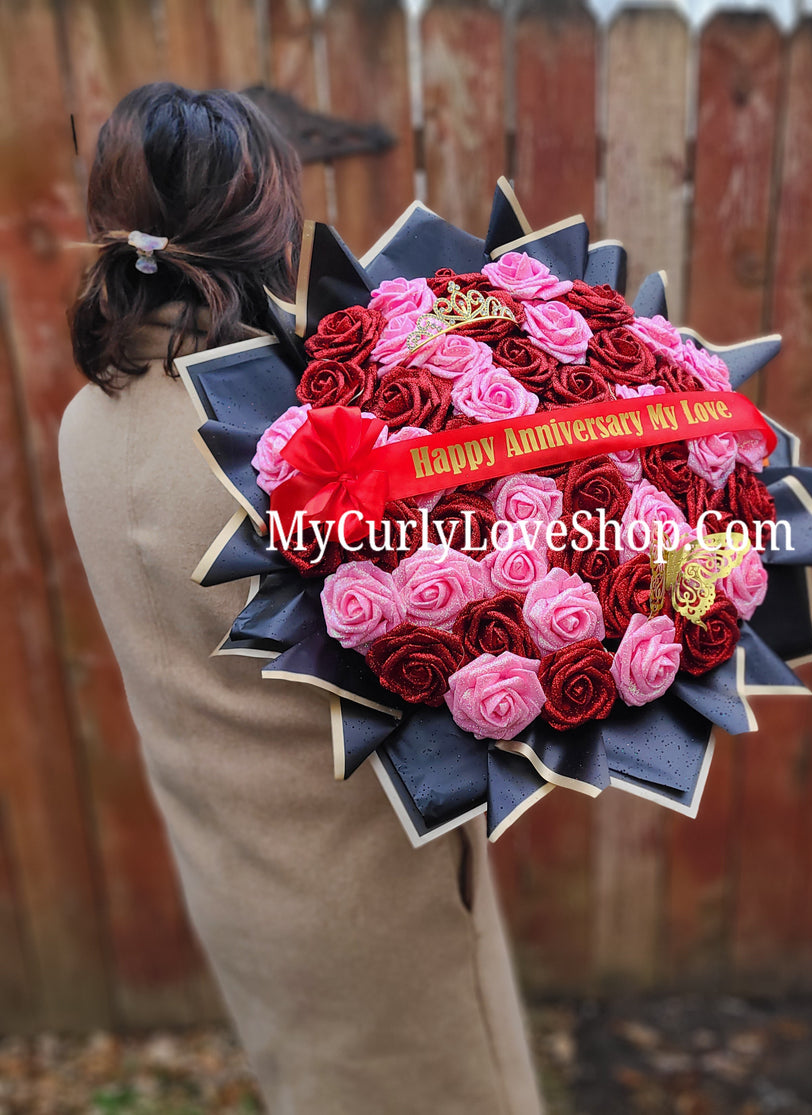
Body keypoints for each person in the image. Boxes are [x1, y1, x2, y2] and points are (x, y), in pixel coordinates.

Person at [59, 83, 543, 1115]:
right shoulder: (288, 444)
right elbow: (461, 651)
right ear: (265, 221)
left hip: (233, 870)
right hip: (371, 889)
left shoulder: (85, 423)